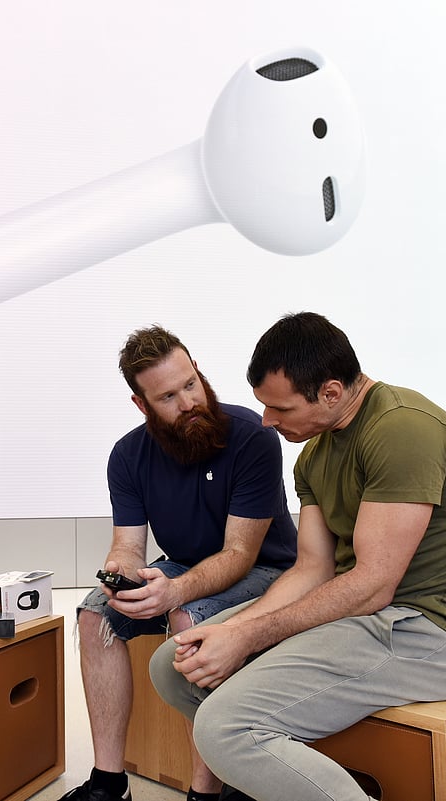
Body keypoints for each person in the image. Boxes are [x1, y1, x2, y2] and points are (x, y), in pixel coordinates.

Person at [149, 311, 446, 801]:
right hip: (359, 620)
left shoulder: (403, 429)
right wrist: (228, 633)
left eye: (280, 409)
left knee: (223, 728)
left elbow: (373, 585)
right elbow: (312, 569)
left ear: (331, 392)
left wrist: (245, 636)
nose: (267, 420)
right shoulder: (313, 457)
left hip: (423, 635)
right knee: (174, 664)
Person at [61, 325, 298, 801]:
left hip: (267, 573)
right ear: (142, 405)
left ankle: (205, 794)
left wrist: (172, 592)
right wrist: (122, 575)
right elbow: (128, 546)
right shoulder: (128, 456)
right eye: (168, 396)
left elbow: (238, 555)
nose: (189, 402)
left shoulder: (253, 437)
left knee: (186, 618)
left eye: (191, 383)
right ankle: (109, 785)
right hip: (186, 567)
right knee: (93, 616)